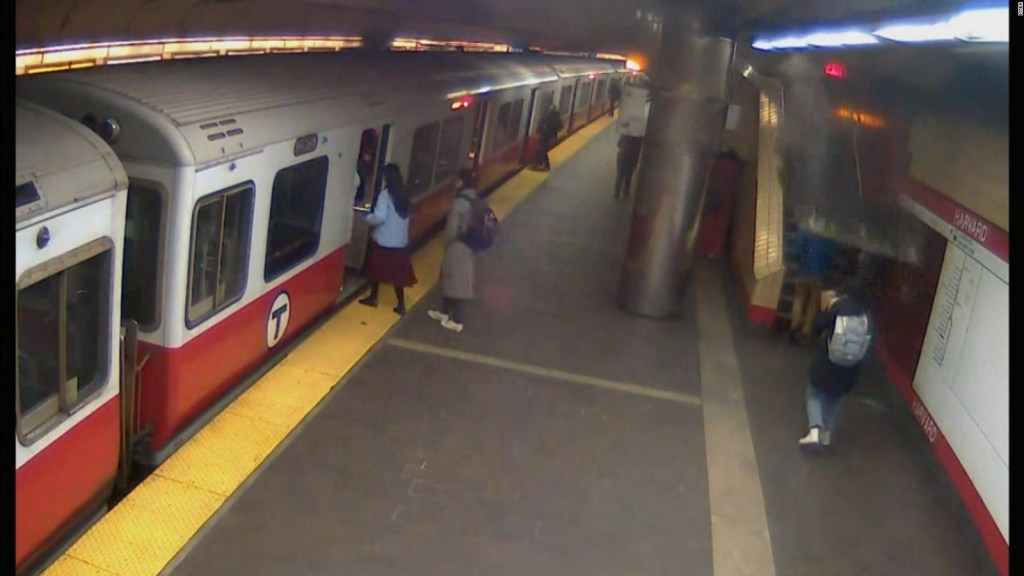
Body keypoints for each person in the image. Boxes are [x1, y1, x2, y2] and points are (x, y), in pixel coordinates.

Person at [799, 279, 872, 449]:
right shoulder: (866, 315)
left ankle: (814, 431)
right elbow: (870, 343)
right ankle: (826, 434)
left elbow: (817, 325)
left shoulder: (839, 308)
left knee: (815, 392)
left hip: (829, 361)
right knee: (836, 398)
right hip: (851, 367)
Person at [358, 164, 417, 315]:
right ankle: (401, 304)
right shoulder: (404, 194)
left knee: (375, 269)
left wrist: (367, 218)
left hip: (384, 240)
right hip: (400, 242)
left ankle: (373, 298)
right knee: (398, 276)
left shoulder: (386, 195)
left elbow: (380, 217)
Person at [428, 168, 478, 332]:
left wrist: (446, 241)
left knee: (456, 282)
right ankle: (444, 311)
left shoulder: (459, 202)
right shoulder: (474, 198)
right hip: (467, 246)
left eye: (457, 180)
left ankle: (457, 320)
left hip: (457, 247)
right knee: (450, 279)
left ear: (462, 182)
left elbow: (451, 229)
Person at [787, 227, 840, 344]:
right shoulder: (830, 234)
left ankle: (794, 326)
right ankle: (806, 331)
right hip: (820, 274)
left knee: (799, 299)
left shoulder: (805, 231)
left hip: (803, 271)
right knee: (813, 303)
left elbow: (797, 250)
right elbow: (833, 256)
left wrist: (799, 261)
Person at [534, 104, 563, 171]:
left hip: (546, 135)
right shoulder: (555, 115)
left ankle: (544, 165)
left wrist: (541, 130)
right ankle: (542, 164)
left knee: (542, 149)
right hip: (549, 135)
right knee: (542, 149)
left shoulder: (550, 116)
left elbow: (545, 124)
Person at [614, 134, 643, 199]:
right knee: (629, 175)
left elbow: (618, 144)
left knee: (620, 175)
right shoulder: (639, 138)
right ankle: (626, 191)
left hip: (622, 158)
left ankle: (617, 192)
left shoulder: (625, 135)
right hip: (632, 159)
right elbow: (639, 150)